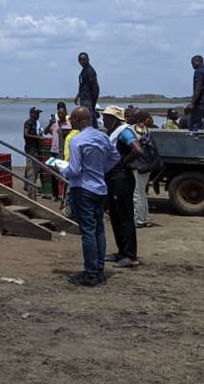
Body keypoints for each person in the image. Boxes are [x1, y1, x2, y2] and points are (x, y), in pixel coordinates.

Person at [60, 107, 120, 286]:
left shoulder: (76, 141)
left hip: (83, 189)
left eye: (73, 119)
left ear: (79, 120)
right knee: (99, 230)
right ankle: (99, 269)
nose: (70, 122)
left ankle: (91, 273)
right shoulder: (102, 137)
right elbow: (115, 157)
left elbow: (75, 170)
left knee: (88, 232)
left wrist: (63, 170)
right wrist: (100, 170)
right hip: (100, 188)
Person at [101, 105, 143, 269]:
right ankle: (121, 251)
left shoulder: (125, 131)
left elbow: (137, 150)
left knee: (124, 216)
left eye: (106, 117)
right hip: (113, 178)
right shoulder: (112, 133)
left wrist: (123, 163)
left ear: (114, 119)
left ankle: (130, 255)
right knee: (115, 215)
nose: (103, 119)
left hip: (122, 178)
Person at [131, 111, 152, 228]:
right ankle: (145, 218)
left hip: (138, 165)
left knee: (136, 193)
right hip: (146, 165)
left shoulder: (136, 129)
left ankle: (138, 220)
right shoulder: (147, 130)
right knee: (142, 193)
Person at [74, 52, 100, 128]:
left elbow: (95, 88)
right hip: (84, 99)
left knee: (88, 121)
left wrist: (93, 103)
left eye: (83, 59)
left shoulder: (89, 71)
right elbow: (83, 86)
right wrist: (78, 96)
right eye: (80, 60)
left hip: (89, 100)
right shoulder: (83, 71)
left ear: (88, 60)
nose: (82, 61)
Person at [23, 107, 43, 198]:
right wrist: (37, 137)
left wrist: (40, 135)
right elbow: (25, 134)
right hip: (30, 148)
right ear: (31, 114)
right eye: (36, 113)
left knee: (31, 167)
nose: (38, 115)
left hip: (35, 147)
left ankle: (28, 186)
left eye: (38, 113)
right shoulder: (28, 122)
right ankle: (30, 187)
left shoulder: (36, 123)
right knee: (33, 167)